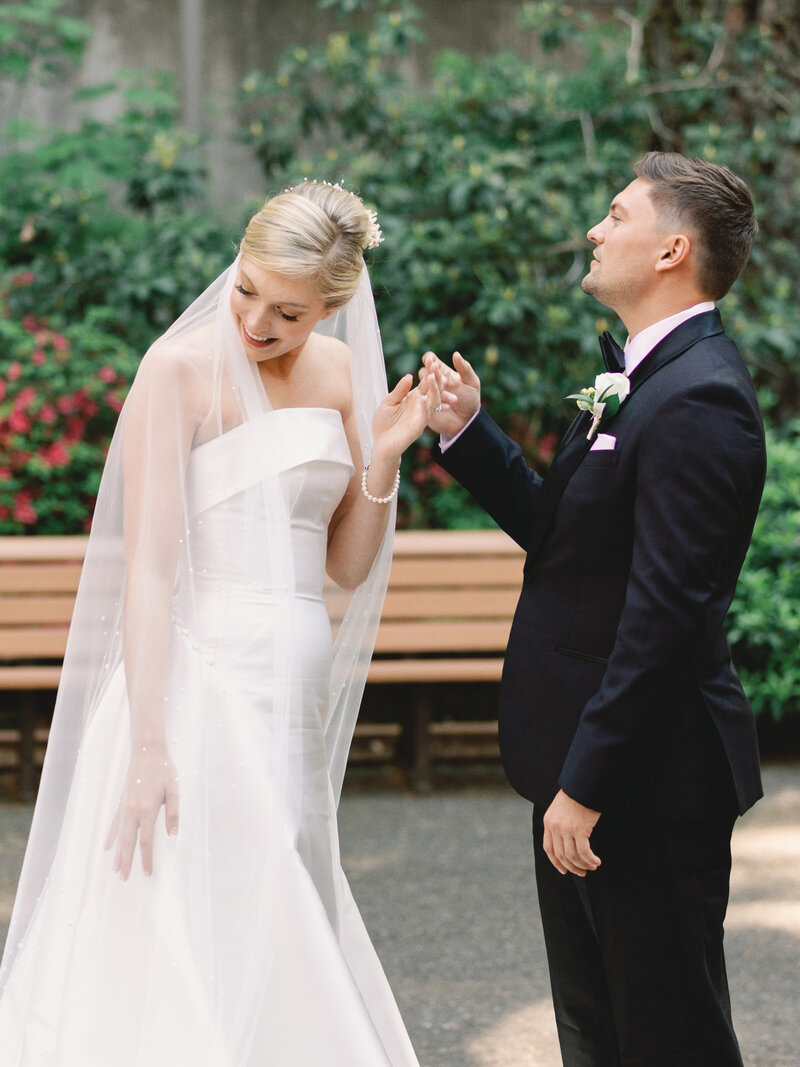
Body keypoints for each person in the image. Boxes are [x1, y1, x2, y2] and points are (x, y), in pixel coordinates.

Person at [0, 181, 437, 1065]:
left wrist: (383, 457)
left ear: (331, 308)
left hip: (293, 681)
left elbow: (343, 567)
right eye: (246, 289)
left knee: (277, 886)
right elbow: (151, 566)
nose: (256, 322)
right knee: (188, 892)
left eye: (288, 311)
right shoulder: (179, 370)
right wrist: (150, 742)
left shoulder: (338, 379)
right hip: (196, 675)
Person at [422, 152, 764, 1066]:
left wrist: (587, 784)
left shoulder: (702, 400)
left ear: (671, 250)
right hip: (581, 763)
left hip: (645, 779)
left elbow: (665, 616)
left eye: (618, 214)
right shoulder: (636, 379)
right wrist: (469, 433)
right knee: (596, 1030)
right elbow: (568, 543)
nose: (595, 229)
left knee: (667, 1034)